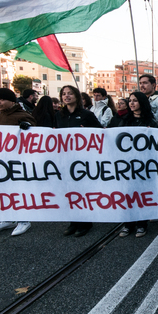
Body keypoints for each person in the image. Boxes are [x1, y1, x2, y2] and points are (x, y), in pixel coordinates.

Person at [0, 88, 36, 236]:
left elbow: (34, 137)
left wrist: (27, 128)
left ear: (12, 101)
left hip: (17, 161)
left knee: (18, 190)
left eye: (1, 99)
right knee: (3, 191)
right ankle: (7, 218)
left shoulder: (22, 115)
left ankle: (24, 220)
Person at [56, 85, 103, 237]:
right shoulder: (59, 115)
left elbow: (100, 132)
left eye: (70, 93)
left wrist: (87, 132)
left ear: (76, 96)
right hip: (64, 159)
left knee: (82, 192)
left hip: (83, 160)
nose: (66, 96)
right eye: (64, 94)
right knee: (68, 192)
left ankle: (85, 222)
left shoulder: (86, 114)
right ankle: (73, 222)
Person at [118, 92, 157, 238]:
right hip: (127, 164)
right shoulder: (124, 120)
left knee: (142, 195)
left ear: (142, 102)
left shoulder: (151, 122)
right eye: (130, 101)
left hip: (144, 165)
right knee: (128, 194)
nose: (132, 103)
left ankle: (141, 224)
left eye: (135, 100)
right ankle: (128, 224)